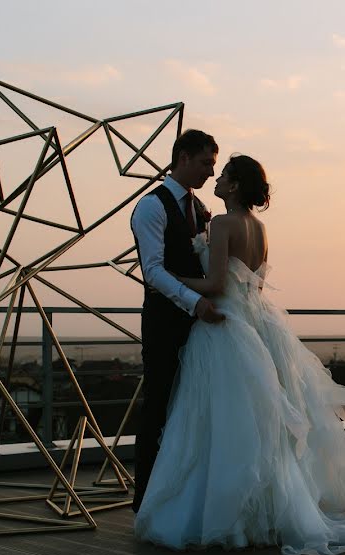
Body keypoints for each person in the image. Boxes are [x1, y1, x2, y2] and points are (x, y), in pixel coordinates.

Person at [134, 155, 345, 555]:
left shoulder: (220, 224)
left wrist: (173, 280)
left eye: (221, 174)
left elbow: (217, 284)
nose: (215, 179)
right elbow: (254, 283)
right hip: (258, 324)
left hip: (224, 326)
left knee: (221, 422)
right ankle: (267, 512)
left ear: (234, 186)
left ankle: (225, 515)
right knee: (261, 426)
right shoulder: (261, 228)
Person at [130, 129, 223, 513]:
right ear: (182, 158)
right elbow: (152, 270)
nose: (210, 172)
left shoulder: (201, 210)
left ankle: (183, 496)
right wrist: (194, 301)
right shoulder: (152, 206)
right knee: (158, 406)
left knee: (193, 408)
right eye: (205, 163)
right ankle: (146, 500)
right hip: (165, 323)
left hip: (201, 327)